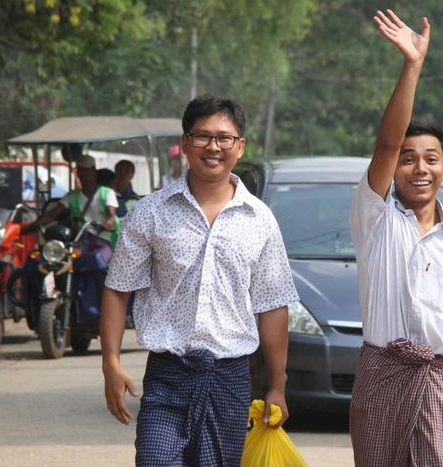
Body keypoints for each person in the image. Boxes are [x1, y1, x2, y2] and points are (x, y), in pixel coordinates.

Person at [100, 94, 298, 466]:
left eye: (224, 138)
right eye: (203, 136)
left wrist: (277, 386)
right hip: (167, 375)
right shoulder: (151, 213)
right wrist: (110, 362)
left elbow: (273, 306)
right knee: (155, 461)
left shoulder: (260, 220)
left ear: (240, 147)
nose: (214, 147)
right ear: (186, 144)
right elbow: (117, 289)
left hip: (230, 380)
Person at [348, 10, 443, 465]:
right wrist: (412, 65)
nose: (420, 169)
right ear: (394, 168)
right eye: (409, 158)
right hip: (379, 376)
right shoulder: (374, 217)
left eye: (431, 159)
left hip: (440, 380)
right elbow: (386, 143)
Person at [33, 154, 119, 261]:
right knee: (67, 259)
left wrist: (108, 222)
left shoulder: (107, 193)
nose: (82, 174)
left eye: (86, 171)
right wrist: (31, 225)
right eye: (80, 171)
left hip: (103, 240)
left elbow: (112, 216)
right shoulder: (71, 196)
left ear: (94, 171)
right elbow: (52, 214)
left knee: (98, 259)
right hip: (81, 239)